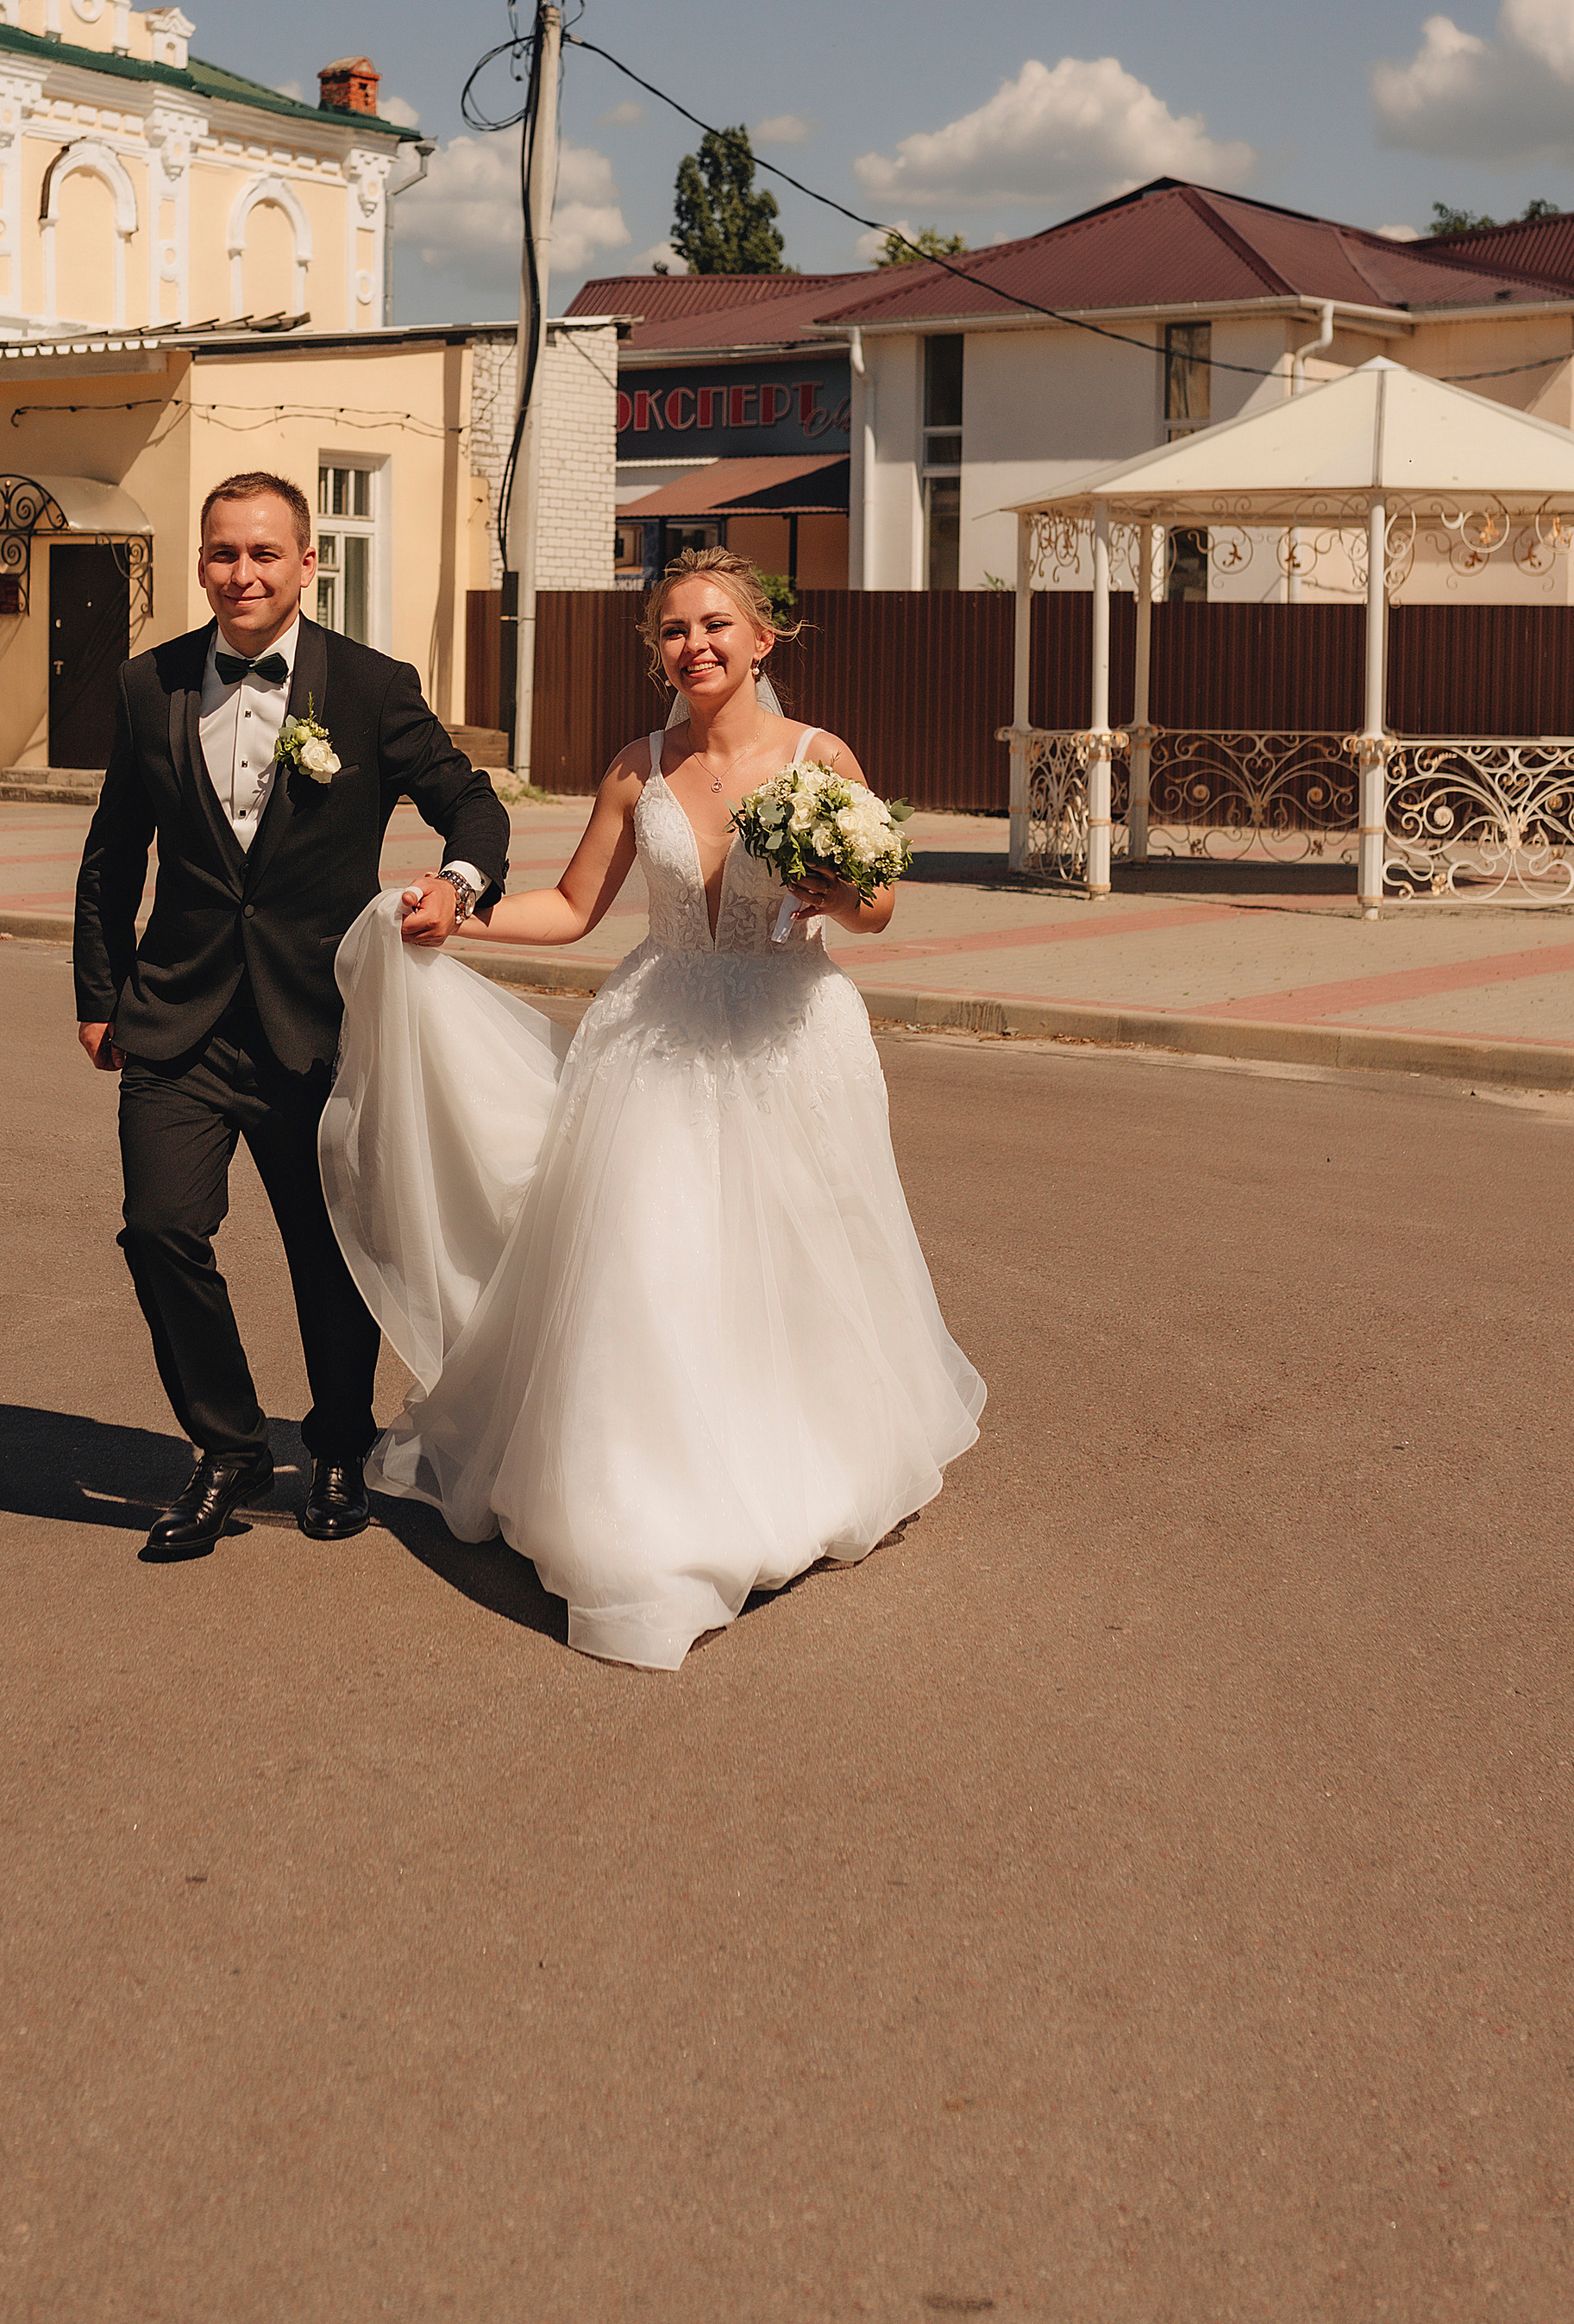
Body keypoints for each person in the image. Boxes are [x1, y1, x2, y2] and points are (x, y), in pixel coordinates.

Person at [319, 548, 985, 1671]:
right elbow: (576, 906)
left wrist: (842, 892)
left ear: (764, 637)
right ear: (658, 649)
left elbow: (873, 904)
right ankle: (653, 1504)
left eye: (717, 625)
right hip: (657, 1033)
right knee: (655, 1269)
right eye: (674, 630)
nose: (697, 646)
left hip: (792, 1040)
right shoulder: (638, 766)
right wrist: (460, 915)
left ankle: (796, 1464)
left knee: (794, 1264)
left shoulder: (822, 759)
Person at [74, 471, 510, 1563]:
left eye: (264, 554)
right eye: (223, 553)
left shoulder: (367, 686)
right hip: (178, 1017)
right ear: (203, 561)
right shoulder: (147, 683)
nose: (241, 574)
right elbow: (112, 852)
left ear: (308, 564)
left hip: (320, 1018)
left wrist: (458, 883)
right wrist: (98, 991)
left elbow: (471, 798)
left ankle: (334, 1444)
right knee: (160, 1226)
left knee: (330, 1254)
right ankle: (223, 1446)